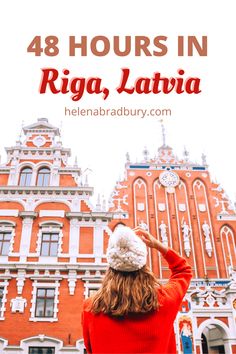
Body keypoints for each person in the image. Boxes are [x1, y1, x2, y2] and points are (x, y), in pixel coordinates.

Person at [82, 226, 192, 353]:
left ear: (110, 267)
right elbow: (183, 270)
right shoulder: (165, 300)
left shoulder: (90, 308)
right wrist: (157, 245)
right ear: (143, 266)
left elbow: (90, 348)